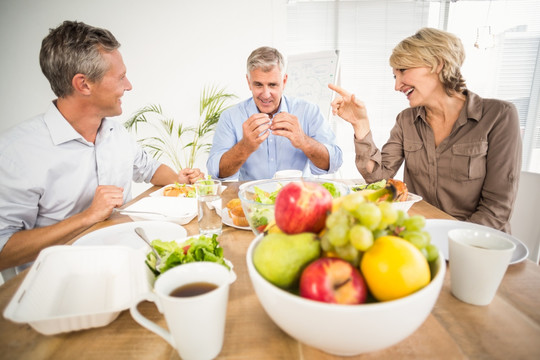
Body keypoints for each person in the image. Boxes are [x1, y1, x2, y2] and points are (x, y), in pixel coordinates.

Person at [0, 21, 204, 271]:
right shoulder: (15, 152)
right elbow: (3, 252)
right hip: (61, 285)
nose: (128, 86)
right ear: (83, 84)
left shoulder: (115, 132)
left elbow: (148, 167)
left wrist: (178, 180)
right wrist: (86, 217)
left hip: (128, 263)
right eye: (120, 77)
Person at [329, 27, 522, 233]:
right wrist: (360, 124)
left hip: (477, 241)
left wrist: (453, 241)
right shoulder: (406, 120)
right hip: (423, 233)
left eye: (403, 70)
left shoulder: (499, 115)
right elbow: (378, 180)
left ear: (438, 64)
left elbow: (496, 208)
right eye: (394, 75)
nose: (397, 85)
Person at [206, 46, 342, 181]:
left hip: (298, 197)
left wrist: (303, 141)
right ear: (249, 82)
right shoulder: (230, 117)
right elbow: (216, 172)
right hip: (251, 199)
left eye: (272, 85)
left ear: (284, 81)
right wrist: (244, 147)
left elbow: (335, 162)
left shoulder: (309, 111)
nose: (265, 94)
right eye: (258, 85)